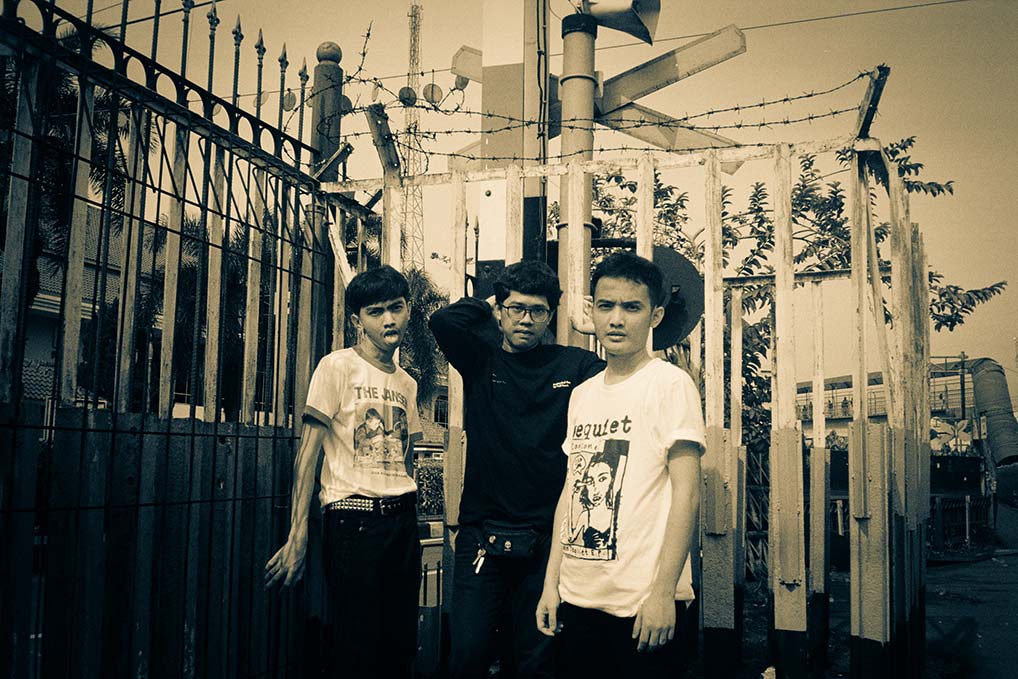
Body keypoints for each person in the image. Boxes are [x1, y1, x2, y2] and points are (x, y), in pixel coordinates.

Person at [429, 260, 605, 679]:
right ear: (501, 310)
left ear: (551, 314)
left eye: (538, 310)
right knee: (467, 655)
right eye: (516, 308)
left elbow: (622, 371)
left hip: (546, 539)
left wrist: (594, 323)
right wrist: (489, 302)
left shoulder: (574, 365)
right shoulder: (480, 360)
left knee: (535, 661)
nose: (526, 319)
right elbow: (443, 321)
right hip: (482, 534)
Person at [536, 252, 705, 678]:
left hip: (641, 605)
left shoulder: (670, 384)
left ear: (655, 316)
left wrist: (664, 593)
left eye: (632, 307)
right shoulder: (583, 394)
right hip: (577, 598)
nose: (616, 319)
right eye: (606, 306)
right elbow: (571, 492)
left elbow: (687, 493)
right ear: (592, 311)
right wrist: (551, 584)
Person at [264, 265, 423, 678]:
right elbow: (308, 454)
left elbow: (408, 458)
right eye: (376, 312)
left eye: (396, 307)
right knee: (357, 646)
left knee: (401, 646)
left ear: (408, 309)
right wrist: (297, 534)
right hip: (354, 520)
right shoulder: (337, 367)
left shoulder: (408, 383)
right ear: (357, 321)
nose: (389, 320)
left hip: (402, 522)